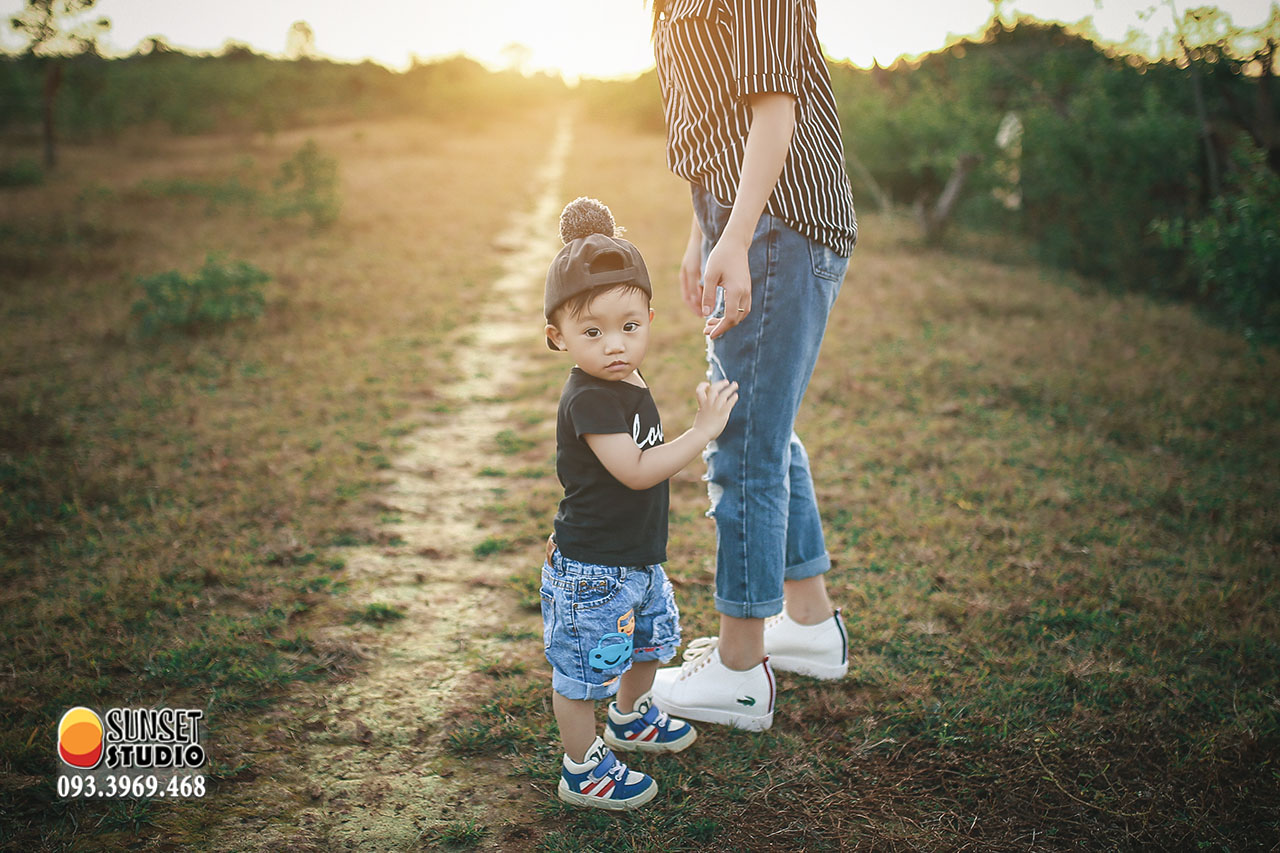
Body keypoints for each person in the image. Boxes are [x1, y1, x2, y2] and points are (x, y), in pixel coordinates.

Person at [649, 0, 859, 731]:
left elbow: (773, 113)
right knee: (768, 425)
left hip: (778, 223)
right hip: (746, 216)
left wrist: (733, 237)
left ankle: (740, 670)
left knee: (742, 438)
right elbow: (715, 125)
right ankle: (806, 622)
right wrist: (701, 230)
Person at [540, 196, 740, 809]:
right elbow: (635, 471)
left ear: (650, 317)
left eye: (630, 327)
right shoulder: (591, 400)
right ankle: (582, 768)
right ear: (558, 337)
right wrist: (701, 433)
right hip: (594, 570)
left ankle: (630, 717)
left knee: (650, 645)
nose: (615, 345)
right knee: (582, 674)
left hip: (637, 559)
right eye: (591, 332)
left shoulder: (626, 378)